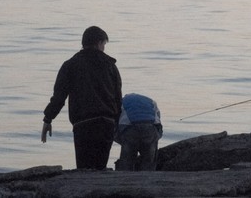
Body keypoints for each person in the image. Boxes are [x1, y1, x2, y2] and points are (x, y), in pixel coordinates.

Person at [41, 26, 122, 170]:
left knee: (84, 169)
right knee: (100, 168)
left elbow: (59, 97)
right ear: (98, 43)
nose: (104, 48)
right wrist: (116, 122)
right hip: (106, 124)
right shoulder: (111, 66)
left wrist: (48, 119)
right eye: (104, 44)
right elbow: (117, 98)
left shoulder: (70, 65)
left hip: (84, 125)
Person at [115, 93, 163, 171]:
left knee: (127, 160)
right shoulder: (151, 101)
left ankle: (125, 177)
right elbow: (158, 120)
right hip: (150, 128)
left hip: (130, 128)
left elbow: (115, 121)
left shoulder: (121, 102)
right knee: (149, 161)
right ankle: (148, 176)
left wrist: (121, 140)